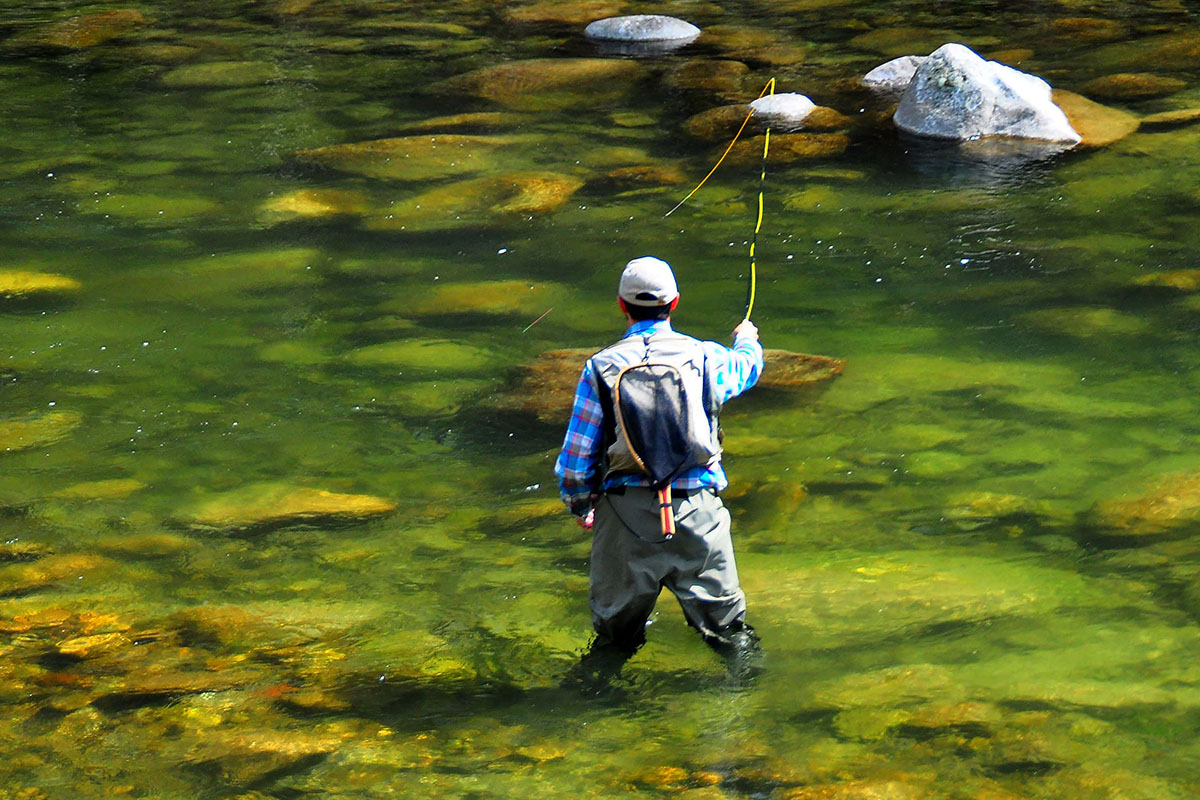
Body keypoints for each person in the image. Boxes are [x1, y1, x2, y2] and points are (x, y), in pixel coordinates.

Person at [555, 255, 764, 680]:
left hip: (625, 518)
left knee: (615, 640)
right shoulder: (708, 358)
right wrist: (747, 340)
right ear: (675, 303)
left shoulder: (599, 367)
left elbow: (576, 461)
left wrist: (582, 507)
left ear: (621, 305)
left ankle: (594, 721)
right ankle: (745, 717)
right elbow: (748, 368)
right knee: (730, 633)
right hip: (699, 514)